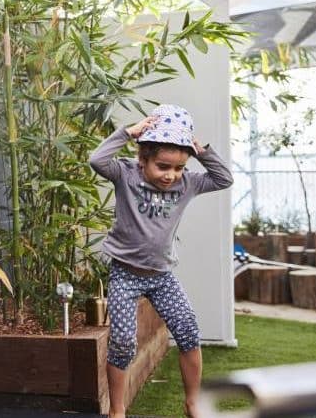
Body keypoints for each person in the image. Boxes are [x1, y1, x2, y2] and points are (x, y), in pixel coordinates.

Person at [87, 104, 233, 418]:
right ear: (144, 158)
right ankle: (117, 409)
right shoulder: (126, 173)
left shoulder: (187, 184)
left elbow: (223, 179)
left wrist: (201, 150)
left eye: (178, 168)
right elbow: (96, 159)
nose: (171, 175)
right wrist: (129, 132)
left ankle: (193, 401)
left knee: (188, 331)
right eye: (163, 166)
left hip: (162, 275)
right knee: (123, 342)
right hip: (125, 275)